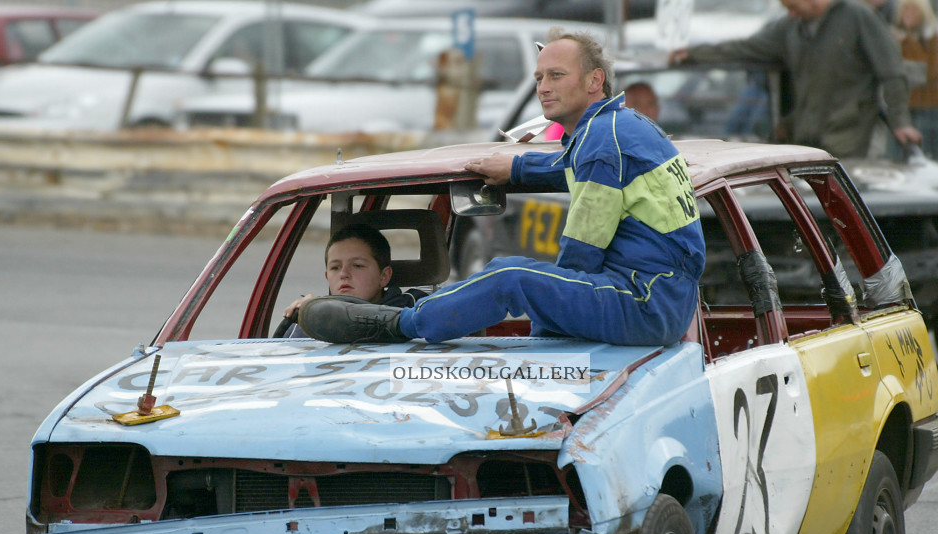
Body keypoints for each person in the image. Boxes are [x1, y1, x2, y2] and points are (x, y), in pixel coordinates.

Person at [299, 27, 706, 348]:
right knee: (522, 280)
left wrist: (547, 338)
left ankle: (396, 323)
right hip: (665, 300)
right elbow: (566, 165)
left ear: (594, 80)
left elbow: (581, 255)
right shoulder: (623, 127)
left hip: (644, 301)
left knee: (510, 276)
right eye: (539, 77)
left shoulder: (602, 142)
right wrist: (517, 167)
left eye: (556, 76)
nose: (543, 87)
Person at [668, 0, 922, 159]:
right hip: (807, 137)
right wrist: (693, 54)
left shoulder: (857, 16)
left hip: (852, 136)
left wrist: (900, 121)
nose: (790, 14)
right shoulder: (790, 29)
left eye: (792, 7)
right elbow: (745, 48)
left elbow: (892, 71)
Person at [280, 223, 425, 336]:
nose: (343, 274)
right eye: (335, 267)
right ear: (327, 277)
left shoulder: (416, 308)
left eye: (357, 265)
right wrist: (311, 313)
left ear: (384, 276)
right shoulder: (309, 320)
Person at [892, 0, 938, 161]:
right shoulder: (895, 37)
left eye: (914, 10)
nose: (909, 14)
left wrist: (909, 42)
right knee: (901, 160)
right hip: (906, 107)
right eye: (906, 10)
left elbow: (929, 73)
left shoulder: (931, 37)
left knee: (931, 159)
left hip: (931, 107)